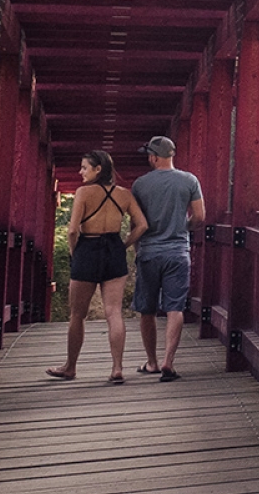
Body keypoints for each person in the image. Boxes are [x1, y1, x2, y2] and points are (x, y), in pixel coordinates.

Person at [49, 149, 144, 384]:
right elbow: (142, 225)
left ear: (97, 169)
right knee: (114, 312)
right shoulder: (124, 194)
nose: (80, 172)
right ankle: (117, 368)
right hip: (113, 248)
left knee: (77, 314)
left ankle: (70, 367)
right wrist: (123, 245)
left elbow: (72, 230)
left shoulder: (83, 192)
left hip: (87, 249)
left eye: (84, 167)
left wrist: (75, 252)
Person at [128, 134, 205, 382]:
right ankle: (168, 362)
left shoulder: (140, 185)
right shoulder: (189, 180)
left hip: (150, 252)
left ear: (153, 156)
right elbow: (200, 216)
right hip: (178, 252)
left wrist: (135, 248)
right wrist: (184, 228)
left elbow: (136, 223)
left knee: (147, 310)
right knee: (175, 307)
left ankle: (151, 362)